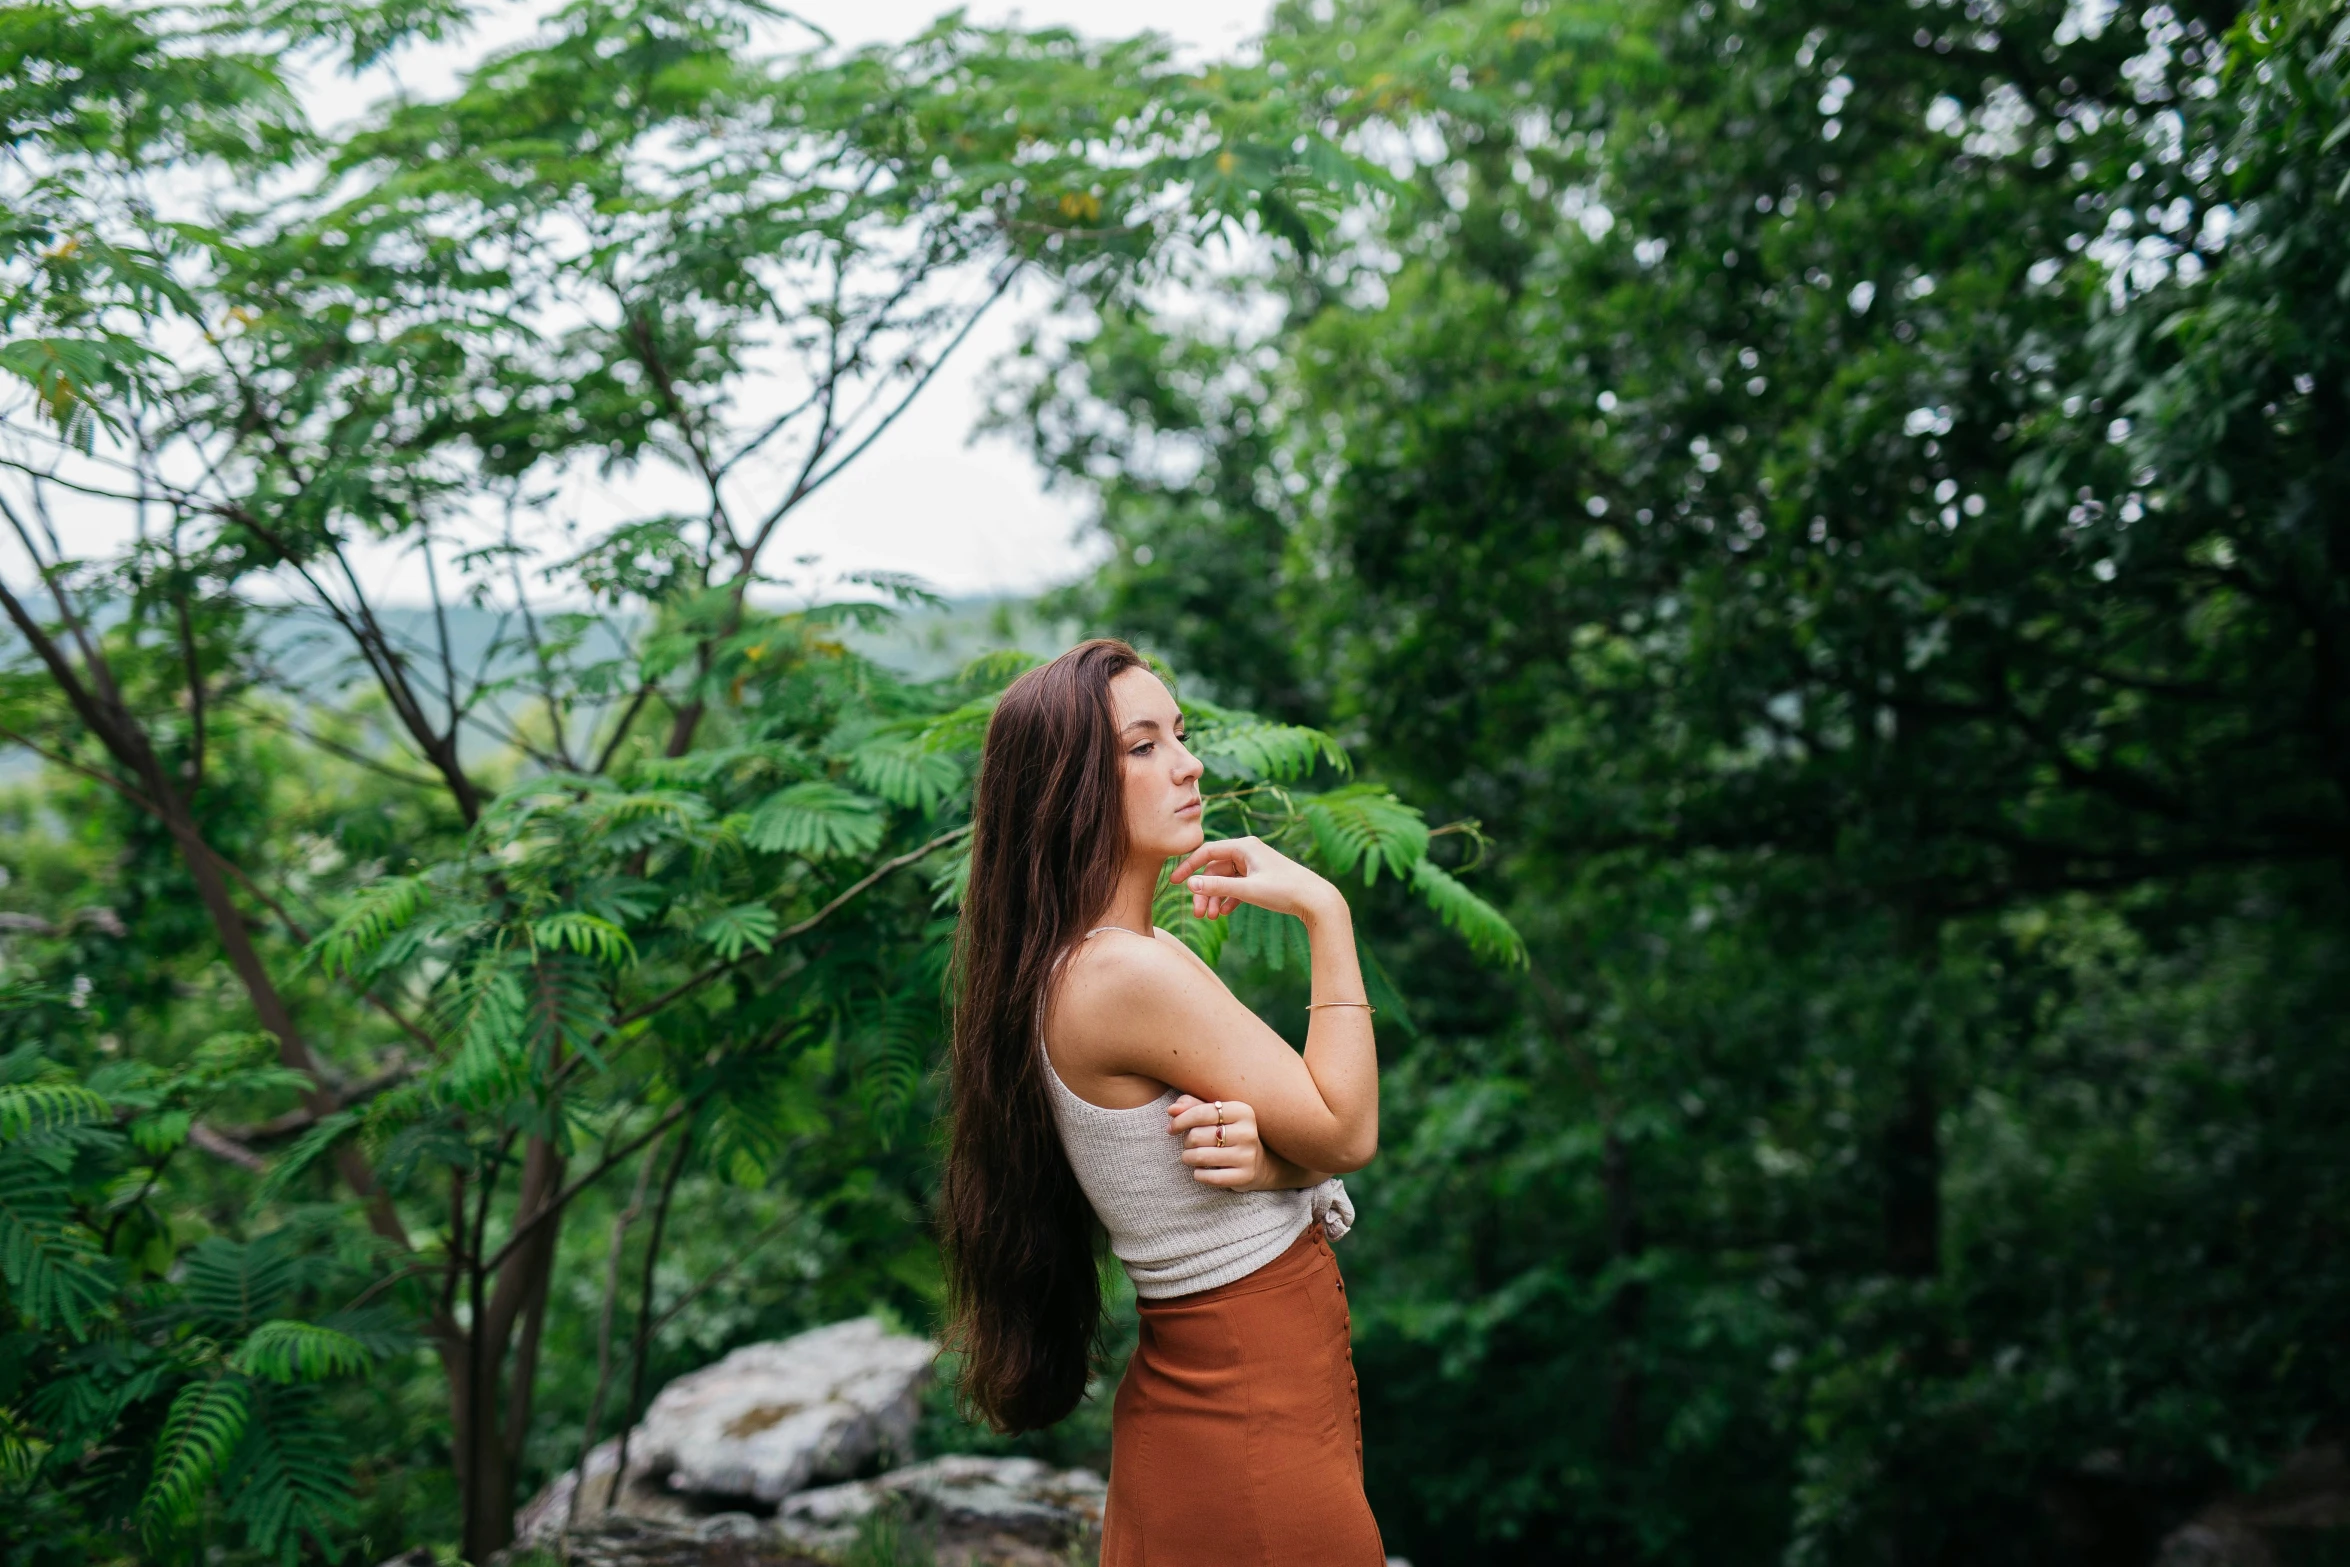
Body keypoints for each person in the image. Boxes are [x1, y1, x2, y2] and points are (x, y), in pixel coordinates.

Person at [942, 637, 1386, 1566]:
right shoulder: (1123, 975)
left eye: (1179, 735)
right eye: (1142, 747)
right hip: (1244, 1408)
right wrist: (1326, 913)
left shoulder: (1111, 960)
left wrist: (1271, 1158)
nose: (1188, 765)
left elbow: (1307, 1134)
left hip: (1240, 1398)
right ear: (1069, 789)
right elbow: (1346, 1128)